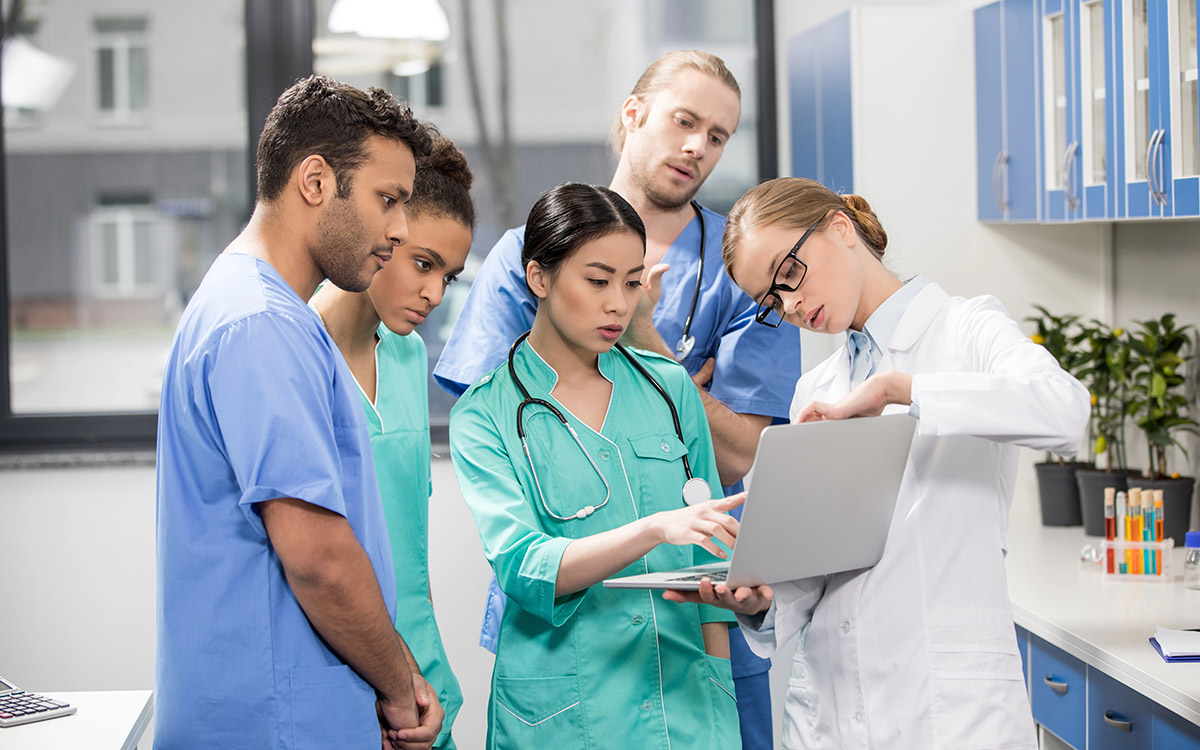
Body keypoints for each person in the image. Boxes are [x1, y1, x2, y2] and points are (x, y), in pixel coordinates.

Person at [434, 50, 796, 747]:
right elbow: (508, 416)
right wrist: (690, 381)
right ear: (633, 114)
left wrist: (649, 342)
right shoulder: (523, 258)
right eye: (684, 121)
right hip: (568, 638)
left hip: (694, 621)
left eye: (718, 135)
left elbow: (743, 455)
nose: (698, 146)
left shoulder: (740, 271)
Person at [666, 177, 1090, 749]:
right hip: (831, 714)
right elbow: (819, 568)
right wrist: (764, 599)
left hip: (947, 714)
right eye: (771, 302)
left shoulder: (966, 329)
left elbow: (1065, 411)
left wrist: (900, 389)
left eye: (788, 275)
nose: (791, 305)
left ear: (840, 228)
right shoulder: (817, 388)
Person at [155, 75, 444, 749]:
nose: (399, 229)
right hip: (272, 722)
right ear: (315, 181)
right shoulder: (261, 324)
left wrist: (394, 671)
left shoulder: (258, 308)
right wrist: (398, 688)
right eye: (388, 200)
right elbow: (318, 557)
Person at [449, 182, 744, 748]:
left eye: (632, 283)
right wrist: (653, 529)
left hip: (685, 709)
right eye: (598, 280)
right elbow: (524, 566)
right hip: (564, 715)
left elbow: (713, 558)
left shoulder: (670, 388)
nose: (619, 304)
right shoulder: (484, 414)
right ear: (539, 278)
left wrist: (718, 690)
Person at [309, 133, 475, 749]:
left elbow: (408, 547)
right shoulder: (297, 354)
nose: (435, 294)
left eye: (449, 277)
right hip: (341, 672)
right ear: (385, 231)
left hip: (421, 673)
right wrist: (389, 684)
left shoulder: (407, 357)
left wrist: (416, 680)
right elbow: (313, 562)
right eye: (424, 264)